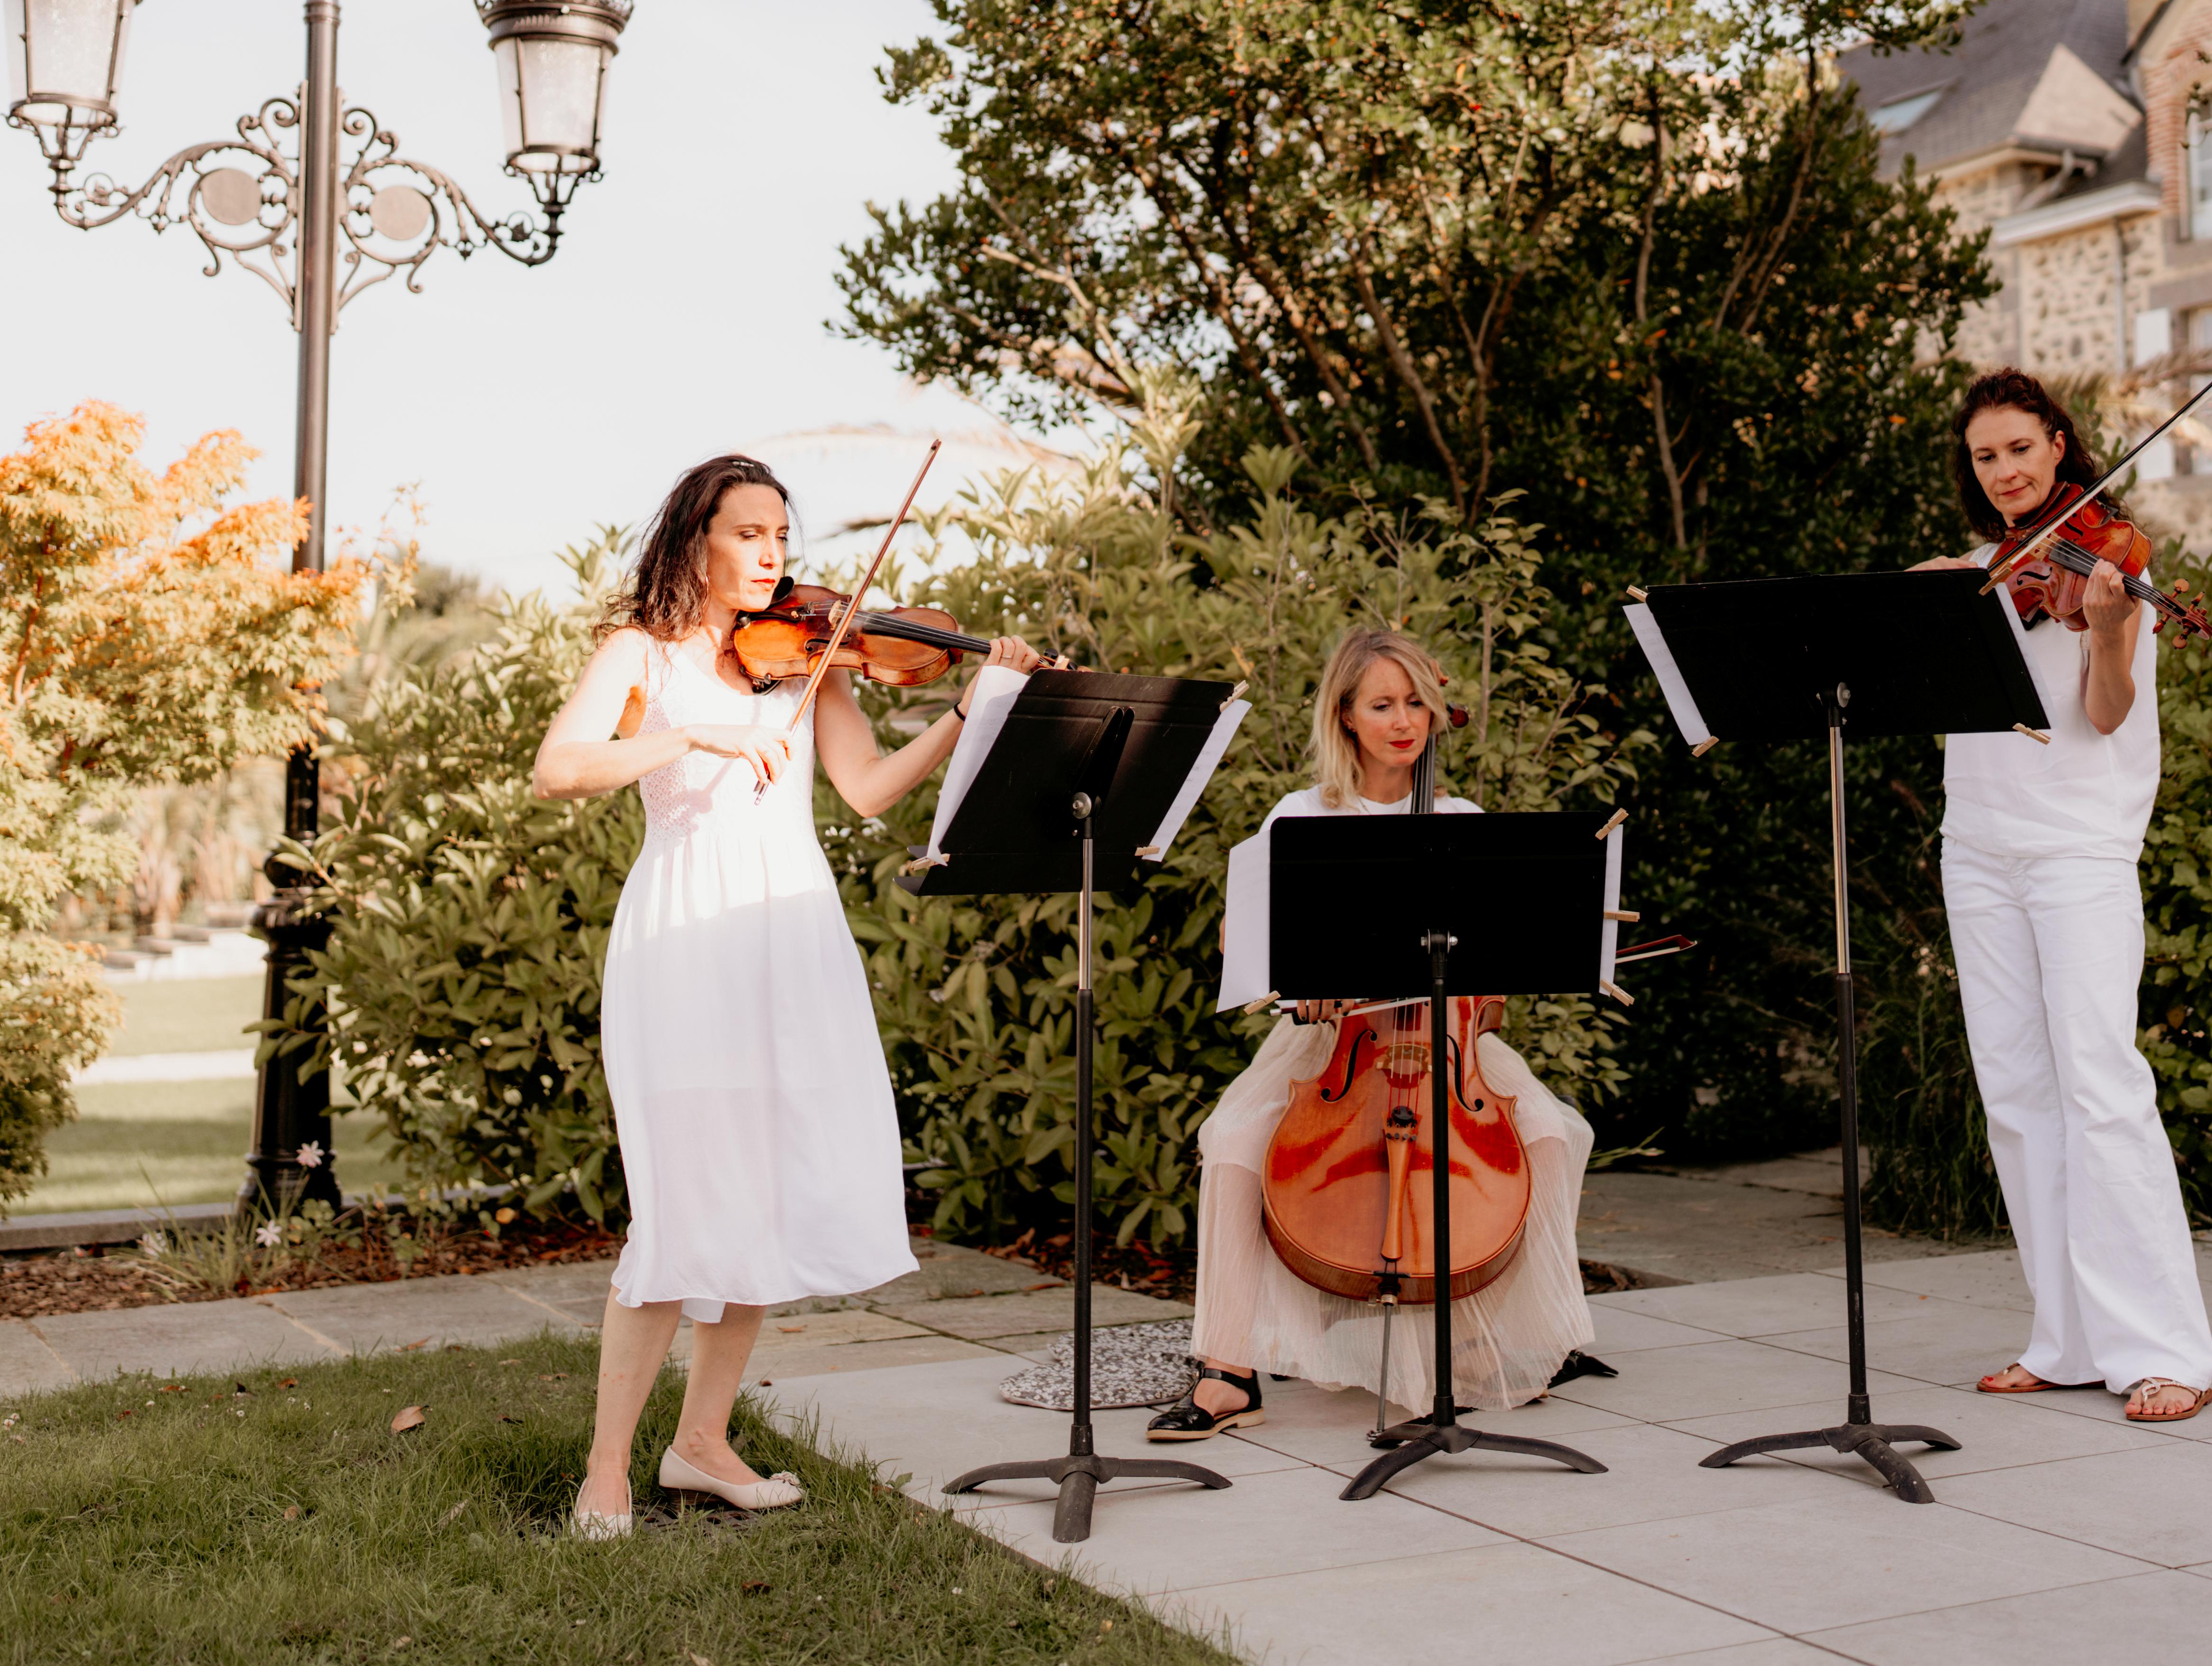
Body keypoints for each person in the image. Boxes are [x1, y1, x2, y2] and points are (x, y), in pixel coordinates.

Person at [531, 455, 1038, 1535]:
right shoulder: (642, 651)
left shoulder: (812, 656)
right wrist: (690, 731)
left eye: (781, 536)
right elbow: (560, 766)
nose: (772, 555)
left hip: (790, 926)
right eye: (749, 533)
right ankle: (607, 1467)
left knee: (762, 1185)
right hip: (683, 932)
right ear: (695, 540)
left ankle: (700, 1442)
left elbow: (863, 788)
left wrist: (970, 706)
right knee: (675, 1203)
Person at [1146, 626, 1597, 1440]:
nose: (1405, 720)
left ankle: (1498, 1343)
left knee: (1552, 1132)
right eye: (1383, 704)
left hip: (1451, 1042)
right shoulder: (1304, 817)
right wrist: (1303, 984)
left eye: (1417, 702)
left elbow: (1494, 974)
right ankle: (1226, 1370)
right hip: (1330, 1049)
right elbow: (1242, 938)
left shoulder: (1462, 818)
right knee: (1234, 1145)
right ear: (1346, 716)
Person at [1912, 370, 2212, 1424]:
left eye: (2020, 450)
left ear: (2058, 444)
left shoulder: (2108, 565)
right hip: (1980, 843)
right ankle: (2069, 1338)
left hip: (2079, 844)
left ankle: (2164, 1346)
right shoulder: (1981, 572)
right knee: (2017, 1093)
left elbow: (2104, 712)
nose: (2005, 471)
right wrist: (1929, 602)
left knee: (2101, 1085)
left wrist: (2108, 628)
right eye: (1987, 457)